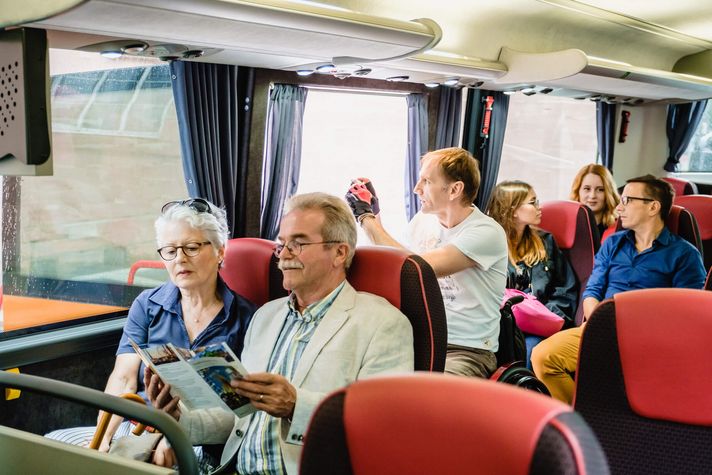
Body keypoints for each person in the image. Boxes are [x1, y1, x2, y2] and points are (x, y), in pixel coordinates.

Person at [146, 192, 414, 474]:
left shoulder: (382, 323)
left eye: (297, 244)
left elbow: (382, 425)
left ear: (339, 253)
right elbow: (238, 417)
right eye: (281, 244)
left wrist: (296, 406)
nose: (283, 256)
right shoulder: (265, 316)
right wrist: (176, 418)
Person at [46, 198, 255, 467]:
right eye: (169, 250)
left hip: (206, 437)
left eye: (191, 248)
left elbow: (241, 407)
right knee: (52, 447)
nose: (180, 259)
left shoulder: (248, 318)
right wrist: (102, 440)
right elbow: (123, 380)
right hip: (139, 425)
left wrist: (174, 436)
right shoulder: (147, 305)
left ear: (220, 251)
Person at [532, 175, 706, 403]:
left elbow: (687, 313)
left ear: (653, 207)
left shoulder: (685, 254)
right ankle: (579, 418)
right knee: (543, 357)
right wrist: (598, 323)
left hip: (651, 338)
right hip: (603, 326)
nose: (619, 207)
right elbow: (593, 290)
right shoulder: (613, 243)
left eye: (627, 200)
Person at [346, 147, 507, 378]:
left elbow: (415, 268)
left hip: (464, 350)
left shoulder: (485, 232)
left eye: (426, 181)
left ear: (455, 189)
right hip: (412, 337)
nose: (416, 189)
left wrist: (365, 218)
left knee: (424, 399)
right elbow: (393, 259)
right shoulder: (424, 220)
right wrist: (374, 211)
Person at [486, 181, 578, 366]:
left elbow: (565, 290)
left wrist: (545, 317)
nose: (539, 207)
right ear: (512, 210)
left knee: (530, 350)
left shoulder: (545, 241)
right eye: (533, 202)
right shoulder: (490, 244)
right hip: (499, 326)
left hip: (538, 325)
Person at [569, 164, 620, 241]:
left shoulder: (619, 230)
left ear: (608, 193)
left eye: (600, 190)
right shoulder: (567, 226)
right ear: (577, 191)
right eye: (587, 189)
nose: (592, 196)